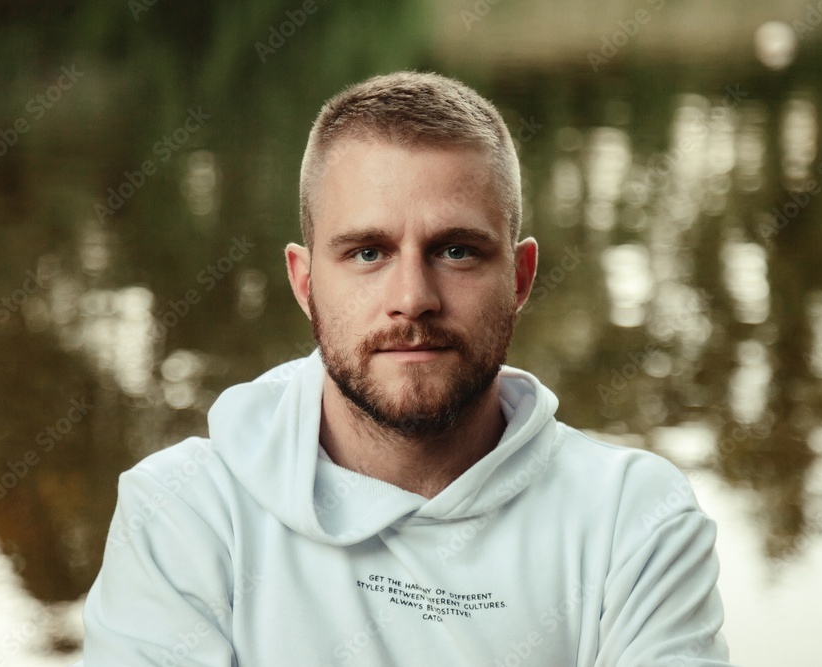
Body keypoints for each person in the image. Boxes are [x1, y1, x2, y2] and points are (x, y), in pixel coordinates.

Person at [81, 71, 732, 666]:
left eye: (456, 250)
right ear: (305, 282)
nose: (413, 296)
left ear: (521, 276)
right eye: (368, 252)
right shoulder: (185, 515)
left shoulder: (633, 520)